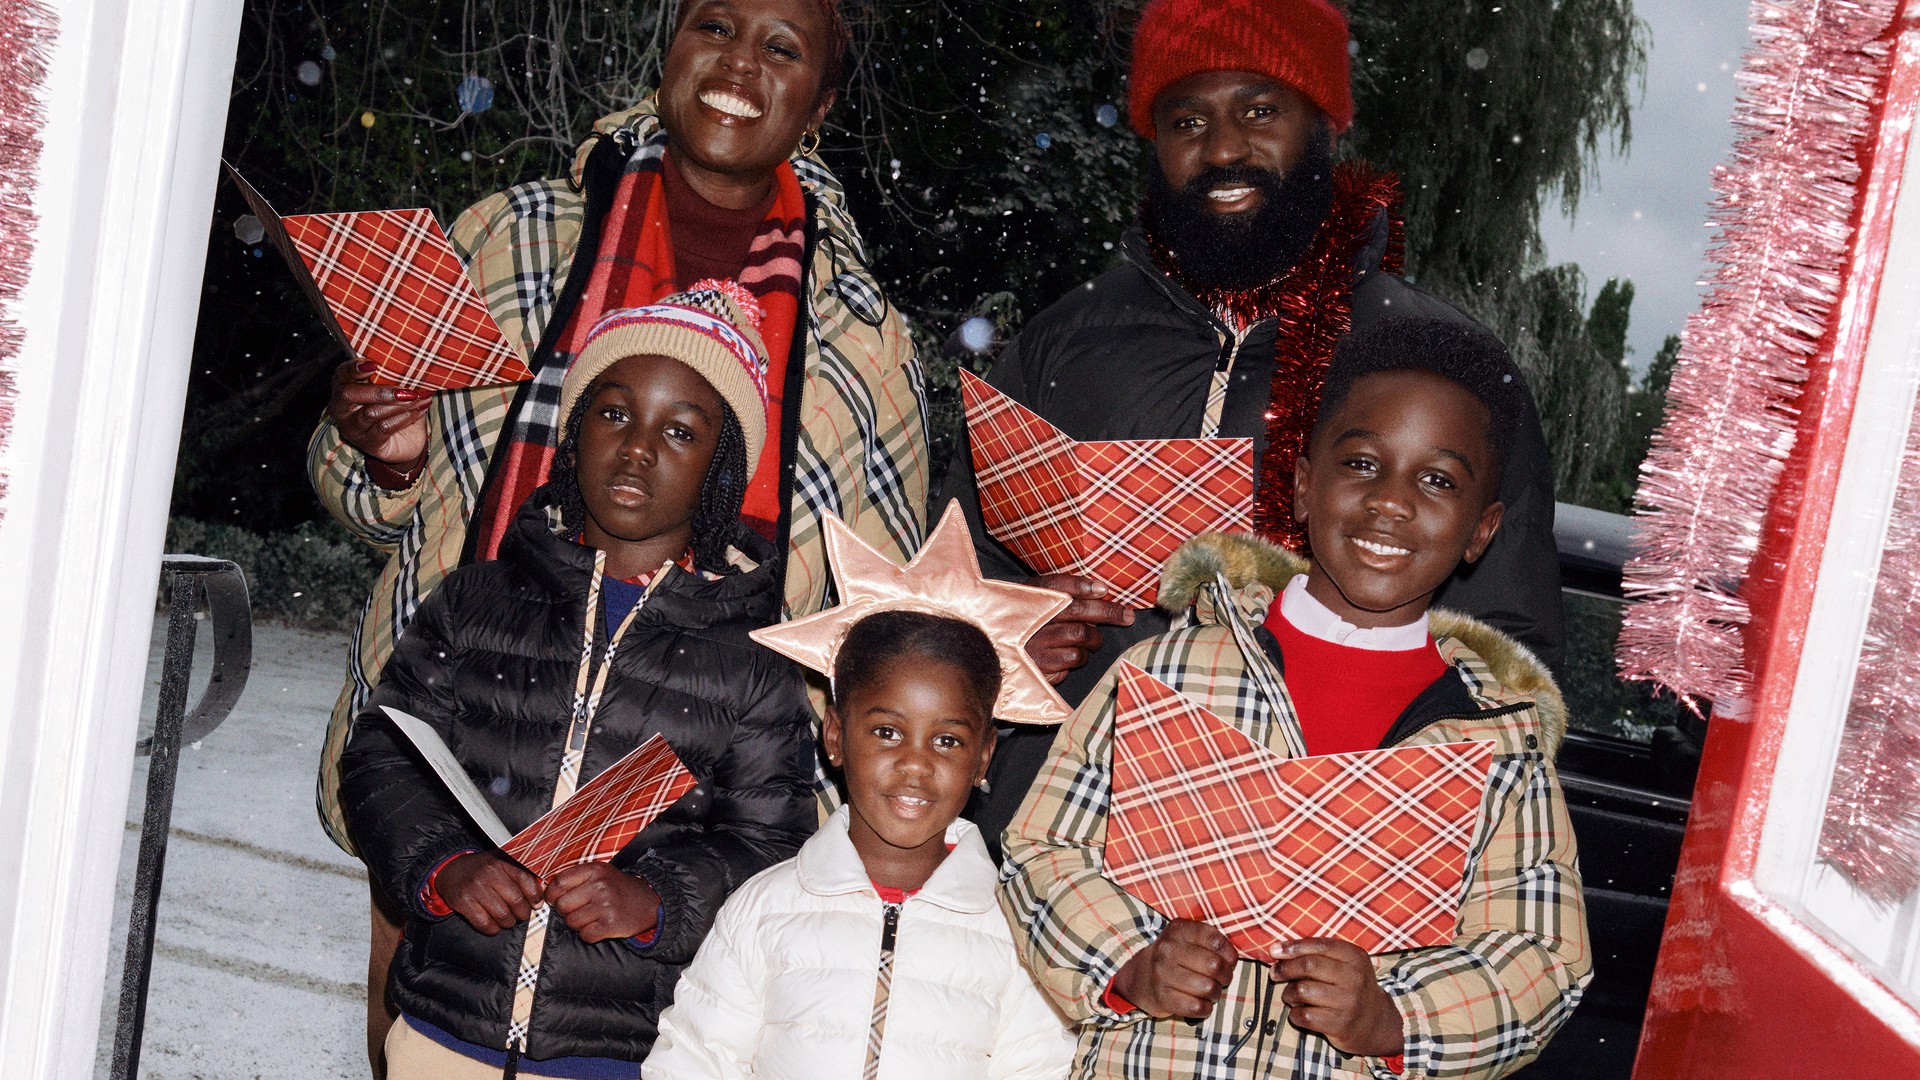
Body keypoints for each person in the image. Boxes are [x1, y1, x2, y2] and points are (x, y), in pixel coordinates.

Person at [310, 0, 926, 1069]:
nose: (740, 64)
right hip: (462, 761)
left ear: (822, 100)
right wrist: (387, 453)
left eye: (782, 47)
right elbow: (359, 495)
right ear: (670, 47)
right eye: (714, 25)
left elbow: (875, 625)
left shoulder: (862, 338)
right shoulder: (512, 238)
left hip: (681, 841)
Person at [940, 0, 1565, 854]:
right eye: (1187, 121)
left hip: (1309, 861)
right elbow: (942, 598)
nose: (1223, 149)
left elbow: (1511, 665)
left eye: (1260, 110)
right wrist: (1003, 634)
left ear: (1324, 123)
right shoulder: (1064, 345)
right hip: (1050, 848)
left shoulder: (1438, 372)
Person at [999, 316, 1591, 1079]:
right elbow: (1043, 853)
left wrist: (1395, 1017)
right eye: (1363, 463)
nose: (1391, 501)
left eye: (1438, 480)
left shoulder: (1497, 739)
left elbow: (1541, 957)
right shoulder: (1167, 672)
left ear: (1482, 530)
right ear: (1306, 487)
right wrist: (1131, 961)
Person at [340, 285, 816, 1078]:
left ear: (721, 467)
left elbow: (772, 845)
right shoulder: (474, 603)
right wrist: (444, 864)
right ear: (573, 431)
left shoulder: (755, 665)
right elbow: (382, 759)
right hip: (441, 1031)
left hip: (622, 1053)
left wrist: (656, 901)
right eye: (614, 413)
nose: (638, 449)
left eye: (681, 431)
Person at [644, 611, 1074, 1080]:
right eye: (888, 732)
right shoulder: (766, 908)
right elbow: (694, 1059)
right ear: (835, 735)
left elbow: (1038, 1068)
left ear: (983, 756)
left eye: (947, 741)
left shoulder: (1015, 929)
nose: (916, 764)